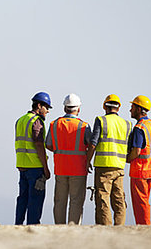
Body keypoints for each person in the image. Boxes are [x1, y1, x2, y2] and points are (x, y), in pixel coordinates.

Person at [86, 94, 132, 225]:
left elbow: (93, 143)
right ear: (118, 108)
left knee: (103, 199)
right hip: (119, 167)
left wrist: (87, 160)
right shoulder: (127, 124)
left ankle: (105, 228)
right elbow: (129, 147)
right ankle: (120, 227)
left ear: (104, 106)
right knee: (119, 200)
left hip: (103, 167)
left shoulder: (101, 120)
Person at [45, 93, 91, 224]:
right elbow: (91, 144)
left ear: (65, 108)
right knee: (76, 201)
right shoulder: (84, 126)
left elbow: (48, 144)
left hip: (60, 168)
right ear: (78, 109)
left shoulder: (54, 124)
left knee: (59, 201)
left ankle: (59, 226)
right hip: (78, 169)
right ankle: (73, 226)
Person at [127, 95, 151, 225]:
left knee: (140, 203)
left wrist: (126, 159)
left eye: (132, 107)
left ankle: (144, 227)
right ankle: (145, 225)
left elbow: (137, 151)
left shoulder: (139, 128)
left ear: (139, 109)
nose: (130, 110)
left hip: (141, 170)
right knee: (145, 200)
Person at [15, 92, 52, 225]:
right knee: (35, 200)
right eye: (46, 107)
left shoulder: (21, 120)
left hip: (22, 166)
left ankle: (18, 225)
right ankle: (33, 226)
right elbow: (38, 144)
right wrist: (46, 168)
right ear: (39, 105)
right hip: (35, 168)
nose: (47, 111)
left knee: (22, 199)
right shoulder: (37, 122)